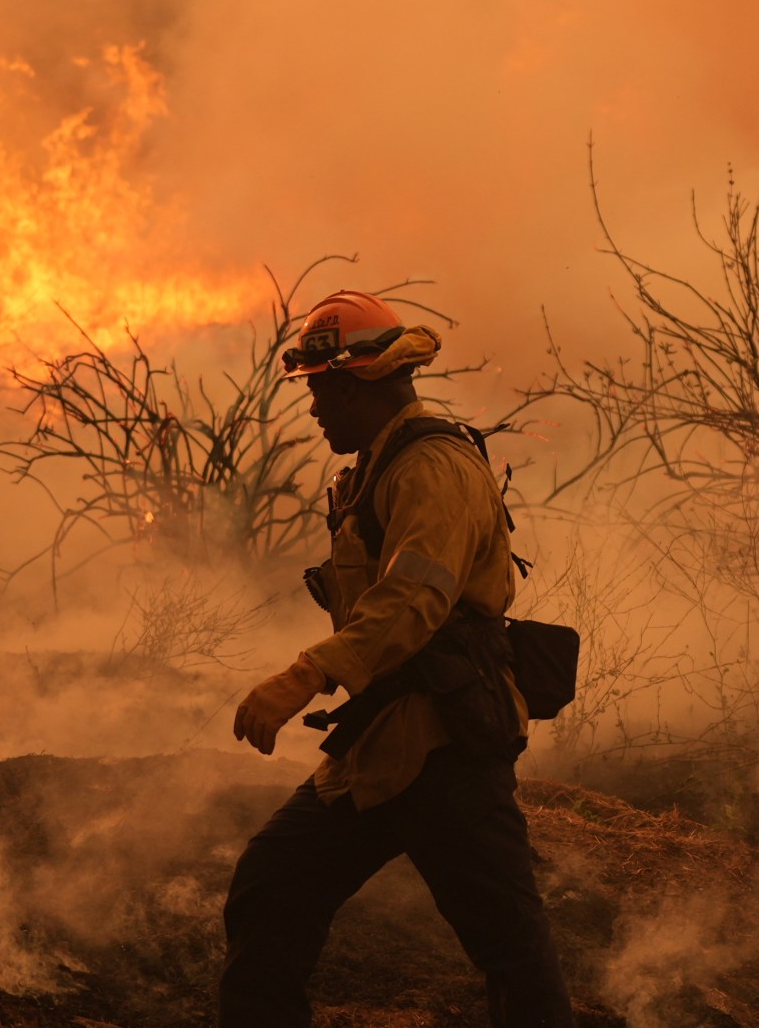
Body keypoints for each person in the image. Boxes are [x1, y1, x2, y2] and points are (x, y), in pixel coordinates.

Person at [220, 290, 574, 1028]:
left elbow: (412, 600)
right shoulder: (373, 471)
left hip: (448, 749)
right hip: (382, 746)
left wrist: (304, 676)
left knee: (509, 946)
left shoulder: (432, 468)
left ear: (359, 385)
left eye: (322, 392)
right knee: (273, 883)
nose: (314, 409)